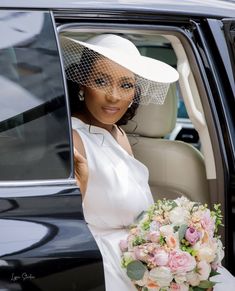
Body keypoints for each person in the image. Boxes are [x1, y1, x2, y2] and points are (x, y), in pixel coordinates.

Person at [61, 34, 235, 291]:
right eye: (101, 81)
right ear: (82, 84)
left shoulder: (116, 133)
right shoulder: (72, 138)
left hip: (142, 257)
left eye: (126, 85)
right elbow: (62, 221)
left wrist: (173, 248)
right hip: (105, 263)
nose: (113, 96)